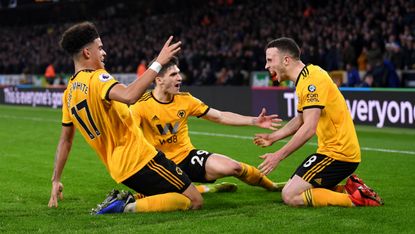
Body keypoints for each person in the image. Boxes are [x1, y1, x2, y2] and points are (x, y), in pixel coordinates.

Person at [48, 21, 204, 214]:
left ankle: (123, 200)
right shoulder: (97, 78)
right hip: (141, 158)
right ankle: (124, 206)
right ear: (88, 53)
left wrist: (56, 179)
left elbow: (65, 141)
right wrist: (159, 63)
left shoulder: (69, 93)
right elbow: (129, 95)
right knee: (194, 200)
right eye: (100, 48)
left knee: (168, 194)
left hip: (119, 169)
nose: (104, 53)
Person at [253, 37, 384, 207]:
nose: (266, 66)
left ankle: (357, 199)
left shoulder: (312, 81)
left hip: (339, 154)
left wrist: (278, 156)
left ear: (286, 60)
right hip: (329, 152)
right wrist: (273, 138)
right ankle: (351, 188)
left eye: (270, 60)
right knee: (295, 187)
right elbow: (300, 119)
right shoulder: (305, 79)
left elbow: (309, 128)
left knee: (290, 195)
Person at [130, 56, 284, 194]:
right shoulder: (140, 105)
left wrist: (253, 121)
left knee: (233, 167)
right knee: (176, 196)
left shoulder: (186, 100)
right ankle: (208, 189)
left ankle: (272, 186)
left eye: (178, 73)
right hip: (161, 165)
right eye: (173, 75)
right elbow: (129, 135)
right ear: (159, 80)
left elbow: (220, 116)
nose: (179, 78)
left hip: (187, 157)